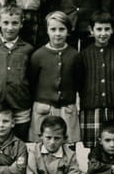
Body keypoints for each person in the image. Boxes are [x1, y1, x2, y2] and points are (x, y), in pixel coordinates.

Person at [28, 11, 84, 142]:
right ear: (47, 31)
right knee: (43, 143)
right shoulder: (38, 55)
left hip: (67, 110)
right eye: (53, 29)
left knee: (68, 144)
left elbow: (79, 82)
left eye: (62, 29)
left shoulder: (74, 55)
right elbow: (32, 82)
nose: (57, 33)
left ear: (68, 31)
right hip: (43, 110)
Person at [0, 5, 34, 141]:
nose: (10, 28)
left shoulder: (28, 49)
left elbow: (32, 78)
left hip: (20, 106)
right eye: (6, 23)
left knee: (20, 142)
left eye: (15, 23)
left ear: (21, 24)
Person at [78, 11, 114, 150]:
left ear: (112, 30)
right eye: (99, 29)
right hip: (92, 109)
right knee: (94, 149)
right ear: (91, 30)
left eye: (107, 29)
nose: (103, 33)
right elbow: (80, 82)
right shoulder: (84, 55)